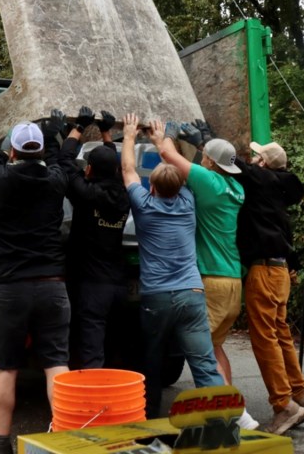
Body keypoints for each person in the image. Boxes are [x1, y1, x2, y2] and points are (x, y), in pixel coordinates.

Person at [0, 120, 70, 454]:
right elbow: (59, 165)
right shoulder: (55, 183)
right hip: (52, 287)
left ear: (13, 150)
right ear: (41, 151)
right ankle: (61, 436)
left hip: (10, 288)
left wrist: (1, 153)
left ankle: (2, 444)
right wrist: (58, 137)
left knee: (6, 367)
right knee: (56, 363)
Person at [120, 113, 225, 420]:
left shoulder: (144, 205)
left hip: (157, 297)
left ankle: (150, 418)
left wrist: (128, 135)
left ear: (150, 186)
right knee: (204, 364)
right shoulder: (189, 201)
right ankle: (221, 423)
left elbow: (127, 169)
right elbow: (183, 167)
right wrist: (161, 138)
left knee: (151, 360)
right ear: (181, 186)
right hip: (192, 292)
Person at [232, 139, 304, 435]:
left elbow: (237, 167)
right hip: (280, 269)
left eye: (258, 157)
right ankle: (301, 395)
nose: (254, 160)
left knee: (264, 339)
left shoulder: (263, 180)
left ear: (265, 164)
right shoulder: (278, 190)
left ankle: (283, 405)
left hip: (265, 269)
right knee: (280, 332)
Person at [153, 122, 245, 389]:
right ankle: (232, 403)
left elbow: (168, 156)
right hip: (233, 279)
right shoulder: (235, 187)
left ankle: (232, 413)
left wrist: (165, 135)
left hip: (212, 278)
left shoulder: (209, 181)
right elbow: (207, 162)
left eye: (205, 156)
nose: (201, 158)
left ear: (211, 163)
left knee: (202, 350)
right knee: (215, 347)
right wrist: (202, 144)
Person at [57, 106, 130, 369]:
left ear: (88, 169)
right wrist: (106, 133)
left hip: (92, 287)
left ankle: (95, 402)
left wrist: (78, 127)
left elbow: (65, 162)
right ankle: (118, 394)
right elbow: (114, 169)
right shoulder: (124, 196)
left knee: (92, 349)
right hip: (119, 285)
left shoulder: (86, 195)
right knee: (116, 346)